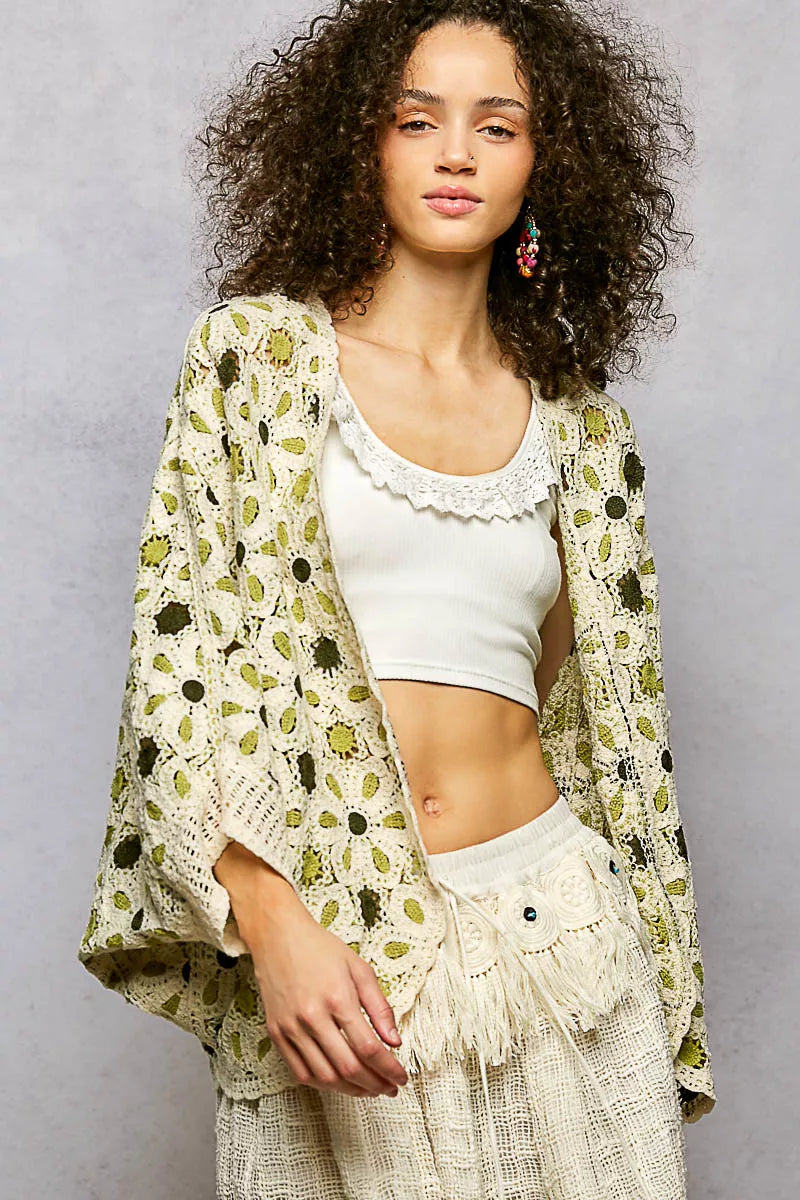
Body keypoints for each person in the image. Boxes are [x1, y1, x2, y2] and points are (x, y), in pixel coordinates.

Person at [77, 3, 716, 1197]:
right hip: (338, 950)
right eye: (416, 120)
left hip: (564, 942)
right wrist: (268, 920)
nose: (456, 154)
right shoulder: (256, 361)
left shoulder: (581, 430)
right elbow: (178, 678)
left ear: (546, 163)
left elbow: (583, 713)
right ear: (357, 144)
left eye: (498, 125)